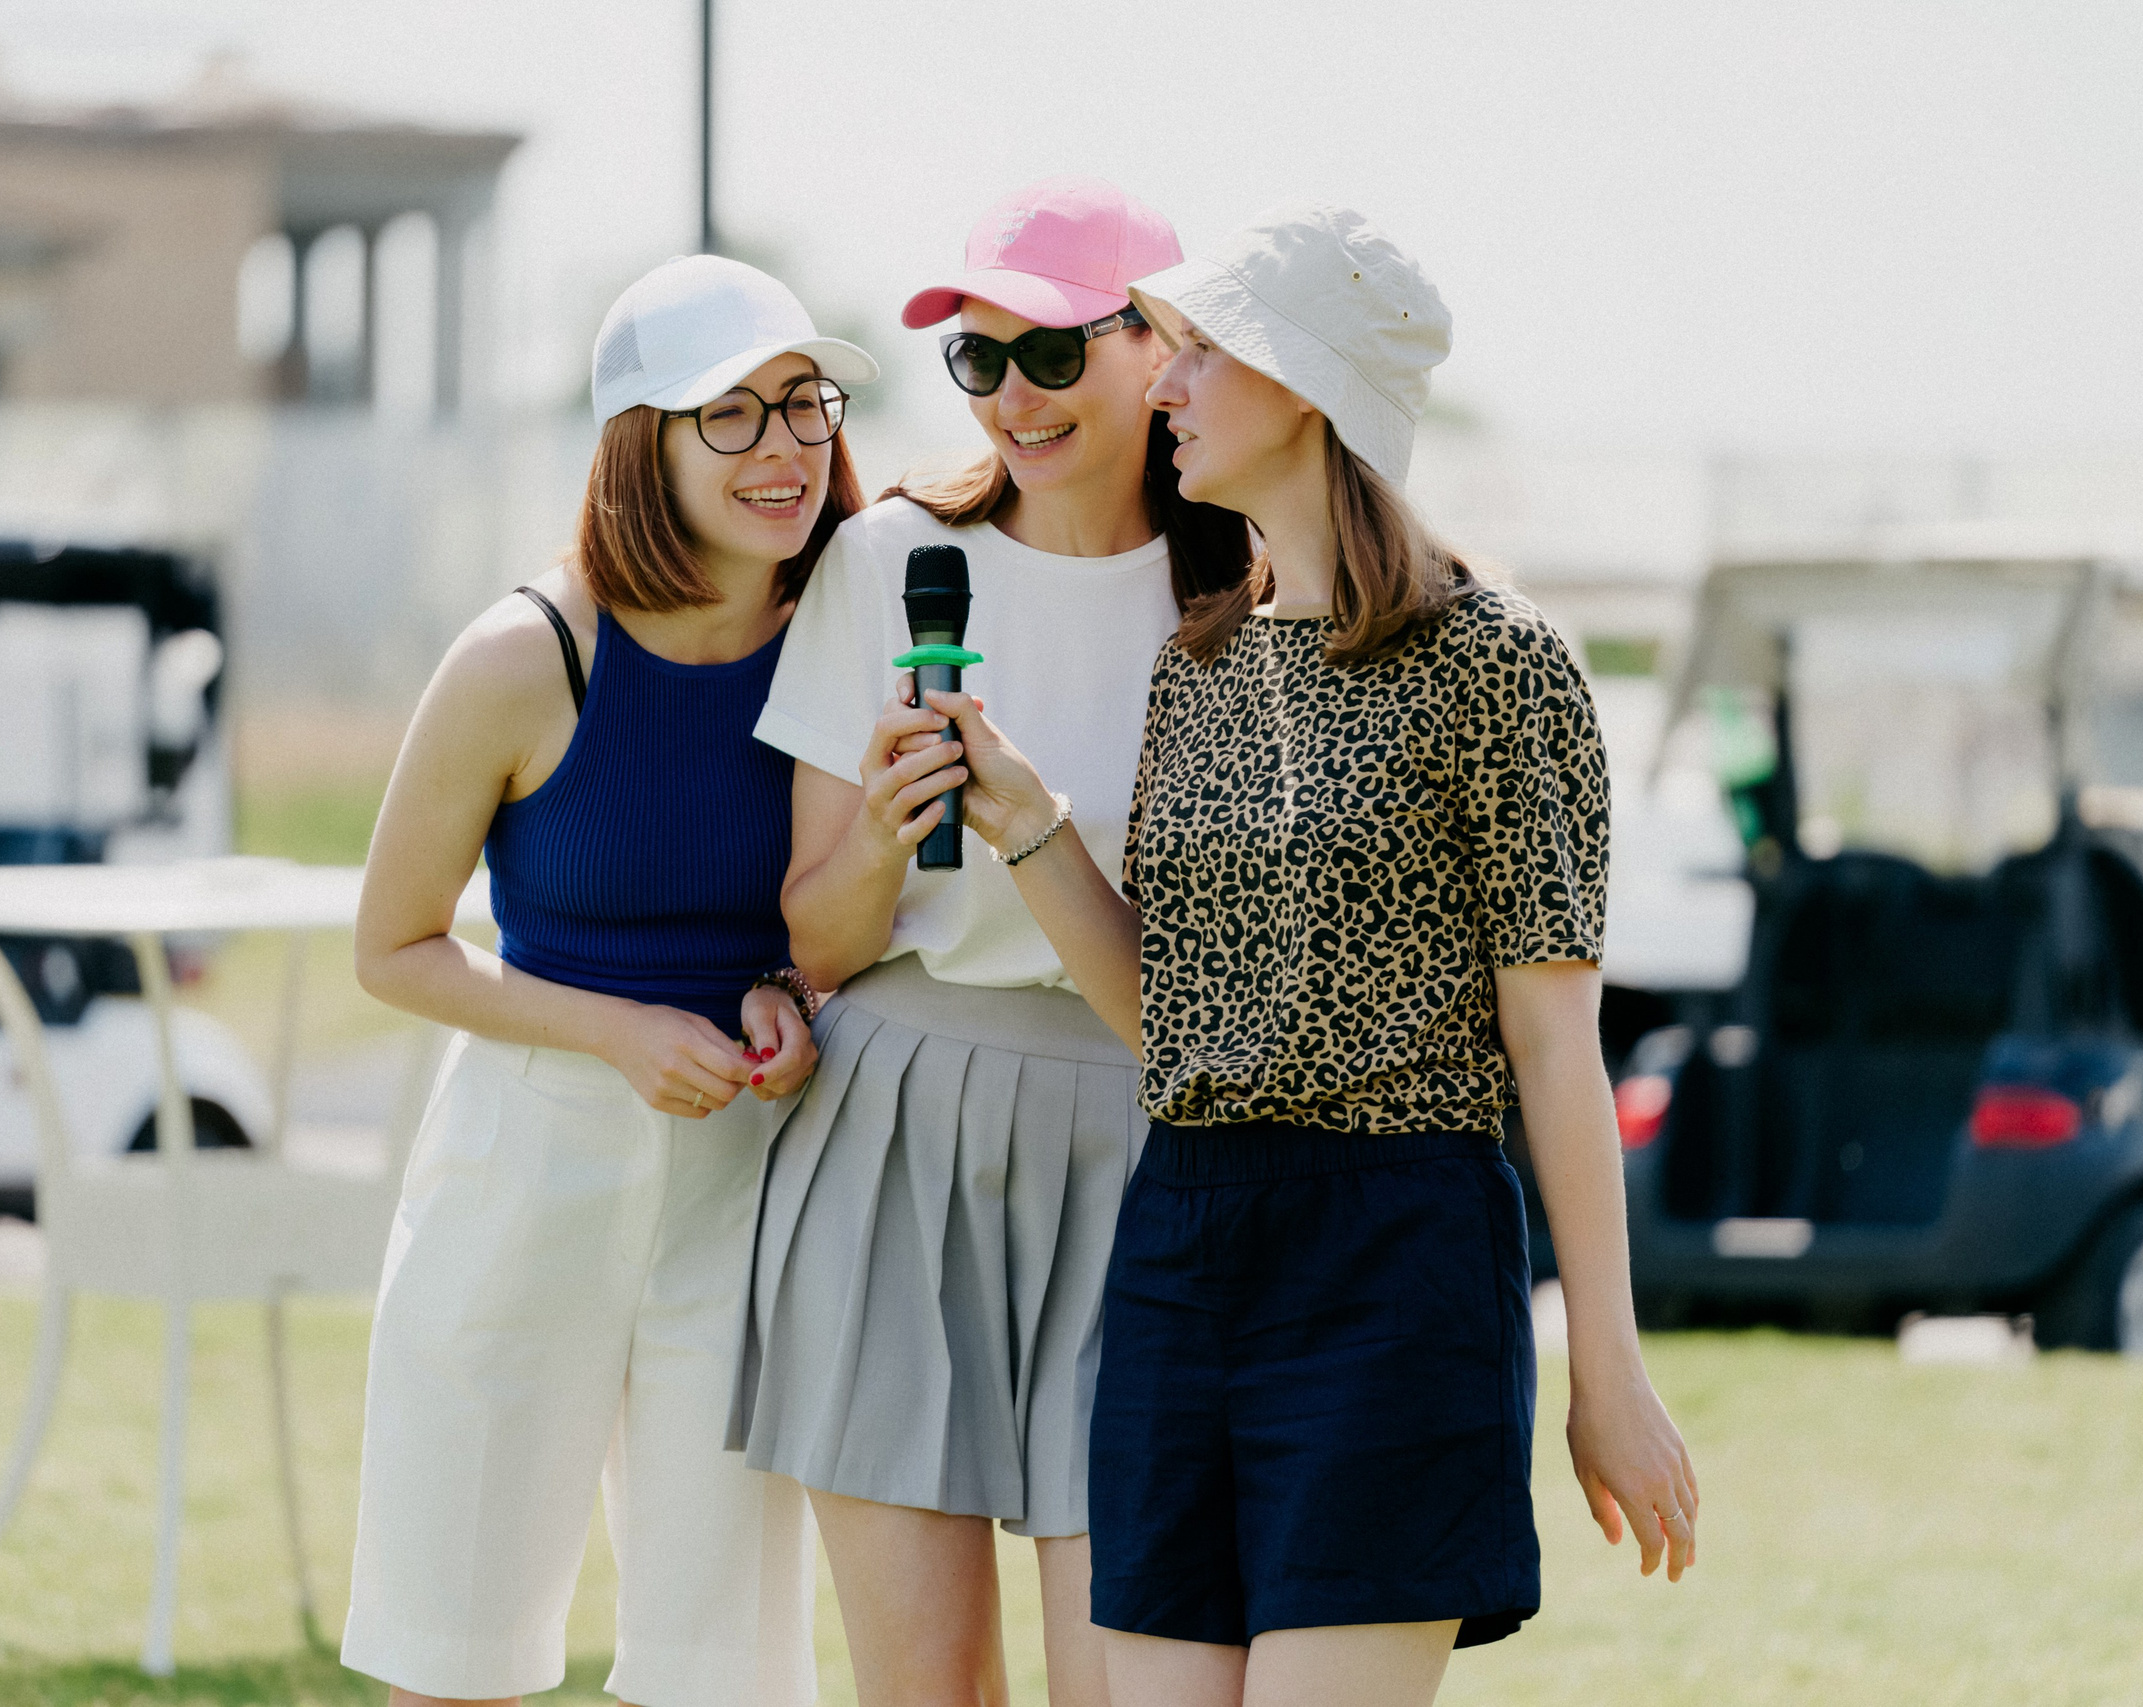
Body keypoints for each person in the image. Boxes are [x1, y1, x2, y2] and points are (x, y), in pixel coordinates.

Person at [914, 203, 1701, 1707]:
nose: (1161, 386)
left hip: (1396, 1256)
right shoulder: (1198, 656)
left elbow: (1554, 1047)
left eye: (1200, 354)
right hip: (1183, 1247)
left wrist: (1608, 1370)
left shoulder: (1501, 662)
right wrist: (1028, 827)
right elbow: (1173, 1014)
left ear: (1310, 387)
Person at [727, 177, 1252, 1707]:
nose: (1010, 400)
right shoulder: (886, 562)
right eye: (978, 359)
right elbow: (816, 944)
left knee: (1125, 1679)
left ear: (1165, 349)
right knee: (926, 1689)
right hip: (893, 1143)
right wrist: (887, 834)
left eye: (1051, 355)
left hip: (1147, 1154)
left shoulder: (1242, 593)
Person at [342, 254, 873, 1707]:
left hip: (744, 1175)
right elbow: (392, 947)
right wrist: (618, 1032)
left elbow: (835, 911)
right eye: (734, 414)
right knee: (453, 1648)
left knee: (723, 1668)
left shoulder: (842, 637)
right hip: (526, 1164)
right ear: (641, 443)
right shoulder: (526, 655)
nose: (789, 448)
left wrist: (778, 993)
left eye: (805, 403)